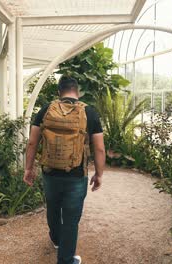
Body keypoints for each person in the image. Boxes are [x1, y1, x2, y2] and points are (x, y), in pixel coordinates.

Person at [23, 76, 106, 264]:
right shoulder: (89, 112)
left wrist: (29, 169)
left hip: (50, 172)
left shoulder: (46, 110)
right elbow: (99, 148)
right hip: (76, 175)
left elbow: (32, 142)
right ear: (77, 91)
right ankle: (67, 260)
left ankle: (56, 238)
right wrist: (99, 174)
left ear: (59, 92)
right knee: (71, 218)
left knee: (52, 205)